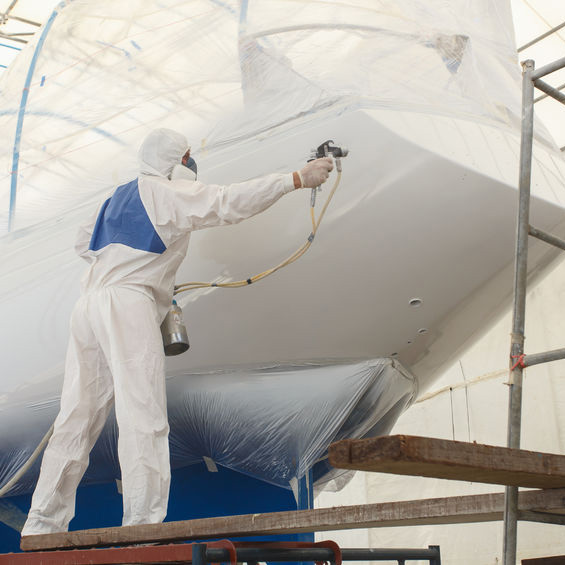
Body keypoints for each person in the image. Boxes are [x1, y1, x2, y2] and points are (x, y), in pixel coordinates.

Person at [21, 128, 333, 536]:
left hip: (90, 305)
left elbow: (83, 243)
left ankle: (42, 524)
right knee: (142, 413)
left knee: (76, 417)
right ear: (174, 160)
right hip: (127, 303)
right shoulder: (163, 193)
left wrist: (129, 266)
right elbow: (226, 203)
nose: (191, 163)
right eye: (187, 156)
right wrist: (295, 178)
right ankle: (141, 524)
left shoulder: (115, 198)